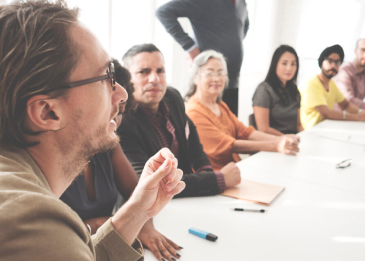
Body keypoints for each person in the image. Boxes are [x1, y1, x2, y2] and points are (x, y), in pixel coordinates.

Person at [0, 1, 185, 261]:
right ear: (47, 112)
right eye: (106, 77)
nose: (121, 94)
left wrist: (136, 212)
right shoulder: (35, 222)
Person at [61, 60, 182, 261]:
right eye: (111, 109)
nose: (115, 121)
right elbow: (59, 232)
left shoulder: (108, 142)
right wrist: (119, 220)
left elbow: (139, 195)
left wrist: (141, 221)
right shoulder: (52, 156)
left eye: (121, 113)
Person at [118, 44, 241, 197]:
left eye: (160, 71)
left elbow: (193, 142)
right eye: (144, 72)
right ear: (127, 80)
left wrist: (206, 172)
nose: (155, 79)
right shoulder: (122, 121)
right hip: (152, 209)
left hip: (187, 198)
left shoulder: (172, 97)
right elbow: (151, 183)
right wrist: (217, 179)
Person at [185, 50, 300, 171]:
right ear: (195, 78)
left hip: (236, 169)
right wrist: (276, 145)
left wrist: (281, 139)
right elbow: (230, 145)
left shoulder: (220, 105)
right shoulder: (193, 112)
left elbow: (245, 132)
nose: (216, 78)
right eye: (210, 73)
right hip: (215, 177)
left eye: (220, 73)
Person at [156, 0, 250, 116]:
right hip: (208, 81)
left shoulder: (242, 2)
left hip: (232, 79)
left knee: (231, 127)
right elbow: (163, 12)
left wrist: (231, 42)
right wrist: (190, 48)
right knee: (207, 127)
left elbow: (244, 25)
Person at [299, 44, 365, 129]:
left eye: (337, 62)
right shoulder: (311, 83)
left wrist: (360, 112)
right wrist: (357, 117)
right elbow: (327, 113)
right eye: (330, 61)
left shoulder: (331, 84)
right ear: (322, 61)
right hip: (309, 131)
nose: (333, 65)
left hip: (325, 128)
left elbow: (346, 105)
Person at [252, 45, 303, 135]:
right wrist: (288, 139)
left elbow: (298, 126)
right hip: (272, 143)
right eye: (284, 63)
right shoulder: (264, 90)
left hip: (292, 141)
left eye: (293, 64)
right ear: (275, 64)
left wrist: (305, 137)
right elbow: (263, 129)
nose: (289, 68)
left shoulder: (294, 90)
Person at [333, 38, 365, 109]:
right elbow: (348, 99)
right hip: (340, 116)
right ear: (356, 51)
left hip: (355, 114)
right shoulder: (345, 70)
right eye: (363, 50)